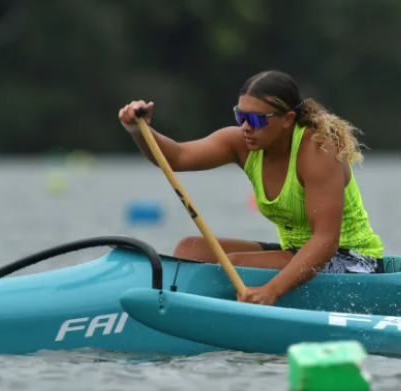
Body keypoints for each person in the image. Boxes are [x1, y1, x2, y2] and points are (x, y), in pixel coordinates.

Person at [118, 70, 385, 306]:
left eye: (256, 120)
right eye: (240, 116)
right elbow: (175, 157)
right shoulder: (241, 144)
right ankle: (176, 308)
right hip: (297, 254)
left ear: (287, 119)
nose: (246, 127)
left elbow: (325, 241)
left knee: (236, 265)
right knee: (191, 249)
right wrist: (138, 131)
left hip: (353, 261)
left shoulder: (318, 150)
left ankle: (210, 314)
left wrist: (272, 291)